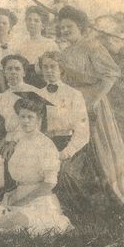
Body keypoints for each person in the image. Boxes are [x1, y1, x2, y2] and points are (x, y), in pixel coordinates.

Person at [58, 5, 124, 204]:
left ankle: (115, 195)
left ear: (80, 27)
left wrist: (94, 100)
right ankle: (86, 197)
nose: (65, 30)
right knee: (77, 146)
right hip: (72, 103)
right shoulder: (65, 51)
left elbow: (111, 75)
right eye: (62, 27)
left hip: (92, 103)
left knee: (99, 146)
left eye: (69, 26)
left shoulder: (91, 46)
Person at [0, 95, 72, 235]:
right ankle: (8, 226)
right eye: (22, 116)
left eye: (30, 117)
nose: (25, 121)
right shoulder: (19, 139)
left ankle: (53, 221)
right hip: (19, 195)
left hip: (40, 199)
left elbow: (49, 184)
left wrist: (24, 201)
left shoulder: (46, 145)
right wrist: (13, 195)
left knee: (16, 218)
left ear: (39, 119)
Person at [38, 51, 90, 211]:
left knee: (64, 173)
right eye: (45, 67)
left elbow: (82, 131)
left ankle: (72, 212)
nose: (49, 70)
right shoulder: (38, 94)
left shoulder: (73, 94)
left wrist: (66, 152)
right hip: (45, 143)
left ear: (61, 69)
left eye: (53, 66)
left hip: (69, 143)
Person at [0, 54, 42, 142]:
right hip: (5, 141)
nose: (13, 72)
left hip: (29, 140)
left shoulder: (34, 93)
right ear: (4, 72)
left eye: (17, 69)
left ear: (24, 73)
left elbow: (38, 124)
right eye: (9, 69)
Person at [15, 5, 59, 88]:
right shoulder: (20, 45)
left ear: (43, 25)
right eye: (29, 19)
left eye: (36, 20)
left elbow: (57, 70)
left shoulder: (50, 44)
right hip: (25, 86)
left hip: (45, 85)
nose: (32, 23)